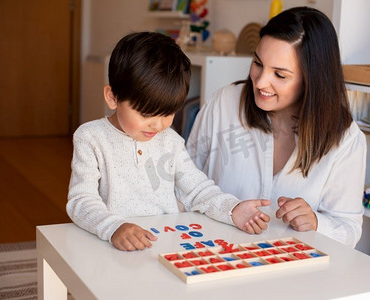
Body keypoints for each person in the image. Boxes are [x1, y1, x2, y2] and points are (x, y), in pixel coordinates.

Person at [67, 32, 270, 251]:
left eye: (168, 113)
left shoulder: (170, 140)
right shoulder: (90, 138)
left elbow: (197, 189)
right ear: (112, 97)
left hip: (162, 244)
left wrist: (232, 209)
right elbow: (81, 201)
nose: (158, 125)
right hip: (110, 244)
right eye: (146, 114)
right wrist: (114, 227)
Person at [187, 7, 367, 248]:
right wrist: (227, 209)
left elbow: (349, 229)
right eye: (257, 63)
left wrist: (316, 222)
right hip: (214, 257)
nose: (261, 81)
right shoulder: (224, 103)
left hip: (290, 272)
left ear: (313, 80)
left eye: (280, 75)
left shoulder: (345, 138)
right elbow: (183, 182)